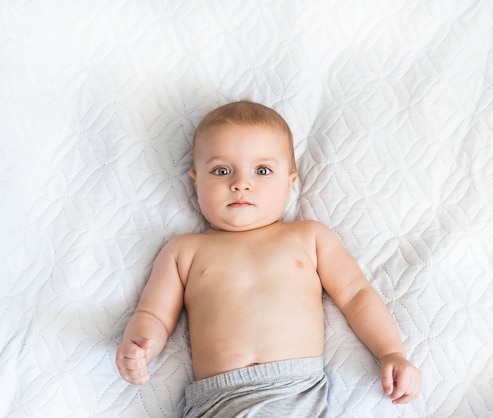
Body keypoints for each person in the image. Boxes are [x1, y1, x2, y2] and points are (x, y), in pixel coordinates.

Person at [116, 101, 422, 417]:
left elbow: (357, 296)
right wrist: (139, 345)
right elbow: (153, 313)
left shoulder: (308, 237)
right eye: (221, 171)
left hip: (297, 393)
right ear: (196, 183)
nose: (240, 183)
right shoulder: (183, 251)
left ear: (290, 183)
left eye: (262, 170)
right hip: (220, 401)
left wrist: (391, 352)